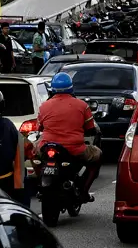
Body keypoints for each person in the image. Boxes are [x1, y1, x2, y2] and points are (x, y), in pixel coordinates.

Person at [36, 72, 102, 201]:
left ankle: (38, 182)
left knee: (32, 153)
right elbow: (90, 129)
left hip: (46, 146)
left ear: (52, 89)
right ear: (71, 88)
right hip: (74, 148)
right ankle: (84, 191)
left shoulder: (44, 106)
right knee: (97, 155)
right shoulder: (82, 105)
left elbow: (39, 128)